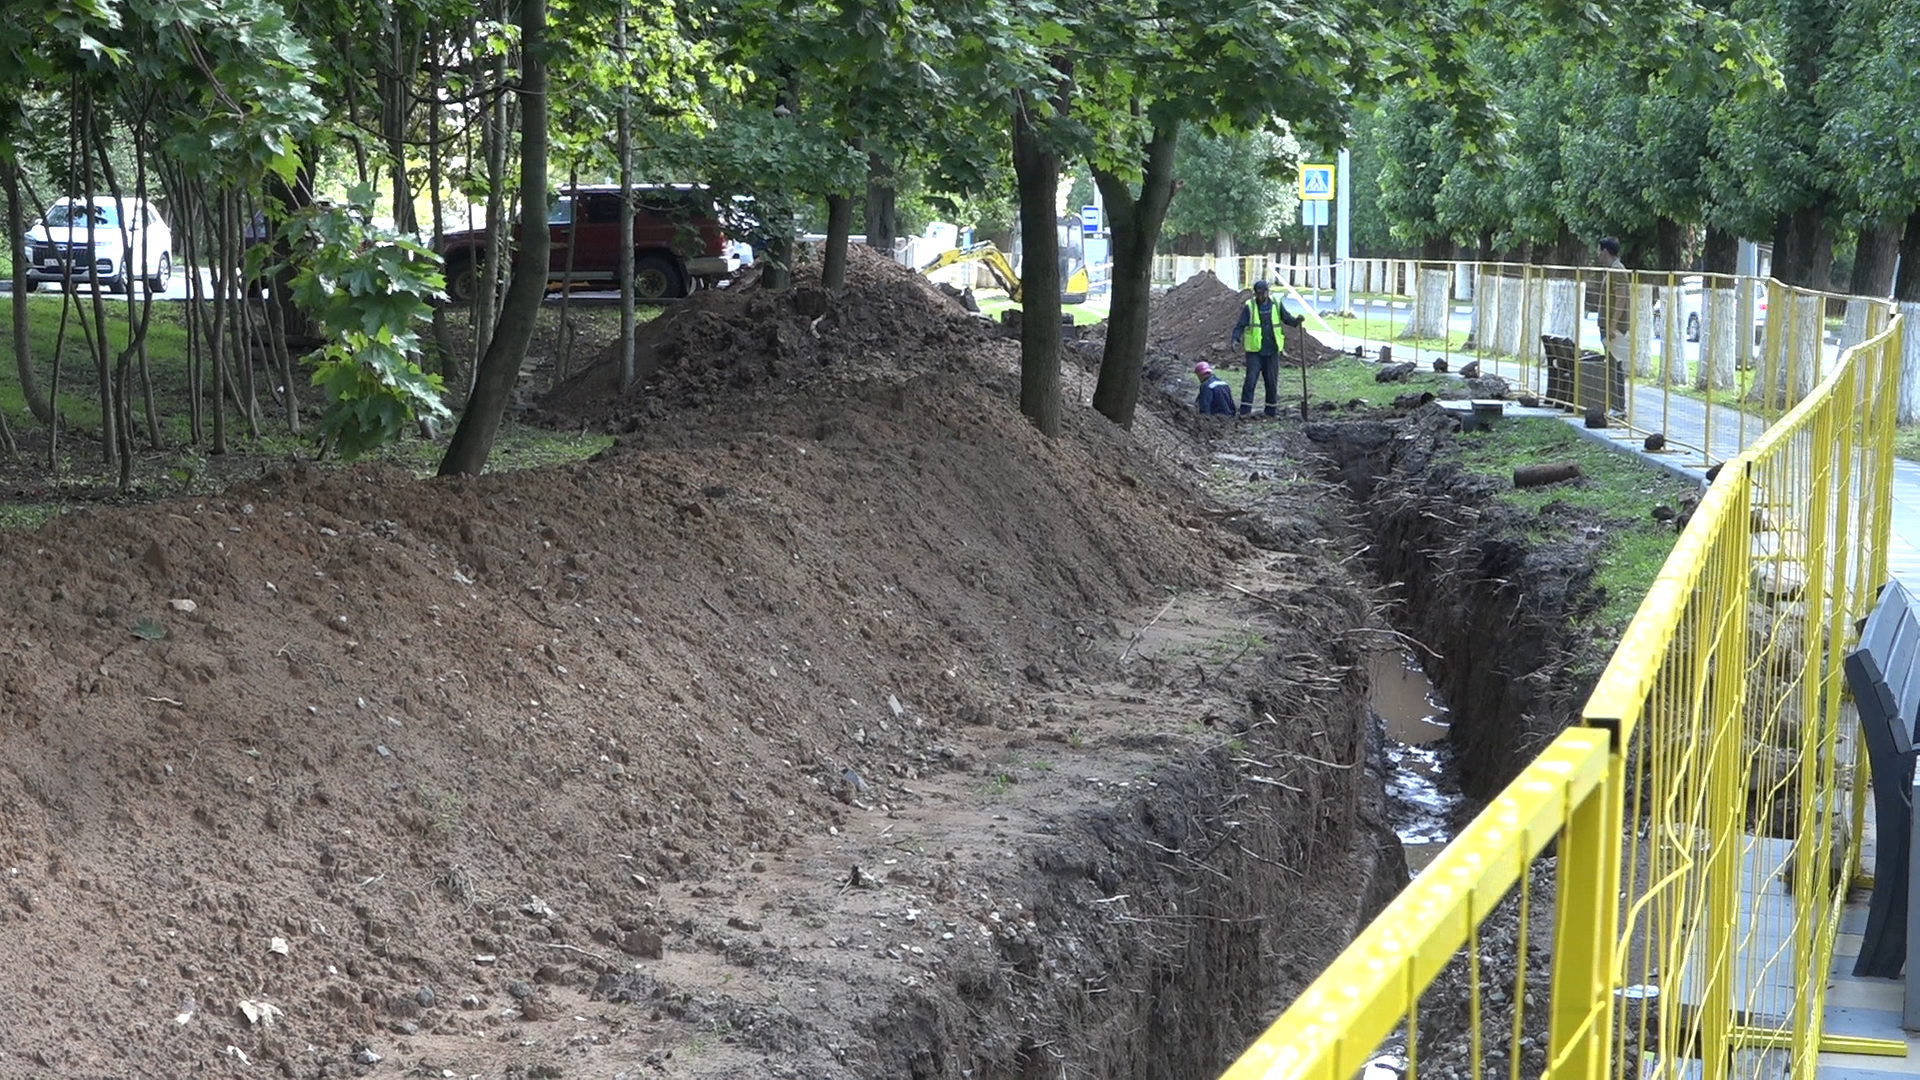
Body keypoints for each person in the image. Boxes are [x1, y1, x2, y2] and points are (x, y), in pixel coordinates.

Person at [1230, 279, 1305, 417]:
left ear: (1267, 292)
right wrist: (1235, 339)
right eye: (1257, 294)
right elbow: (1240, 325)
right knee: (1250, 381)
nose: (1260, 297)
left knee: (1271, 382)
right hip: (1255, 352)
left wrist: (1296, 322)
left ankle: (1270, 411)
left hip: (1272, 350)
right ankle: (1245, 411)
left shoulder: (1276, 304)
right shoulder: (1250, 306)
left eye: (1262, 294)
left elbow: (1286, 318)